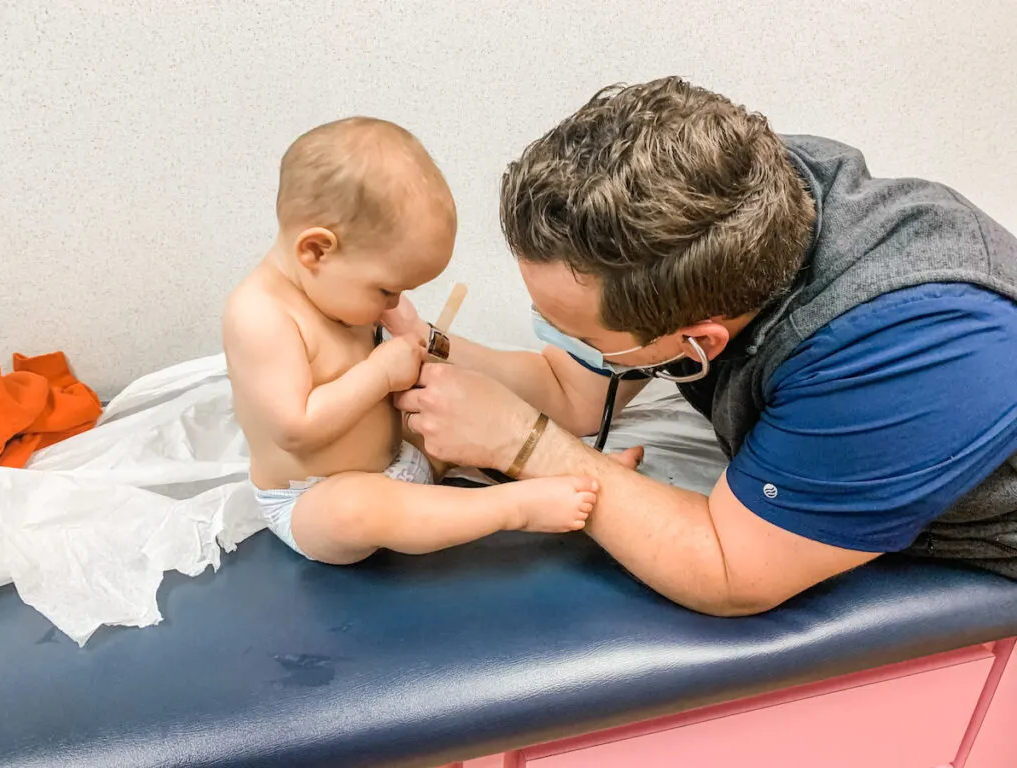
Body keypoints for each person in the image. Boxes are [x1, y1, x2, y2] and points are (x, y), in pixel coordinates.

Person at [387, 77, 1017, 615]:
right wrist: (429, 343)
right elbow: (576, 391)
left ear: (698, 339)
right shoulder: (735, 196)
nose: (558, 334)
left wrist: (521, 443)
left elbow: (729, 572)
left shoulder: (910, 351)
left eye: (582, 332)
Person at [222, 117, 600, 565]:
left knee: (464, 416)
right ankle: (515, 509)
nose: (395, 301)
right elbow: (295, 430)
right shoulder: (260, 314)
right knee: (355, 509)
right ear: (316, 251)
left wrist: (410, 337)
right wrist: (380, 372)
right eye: (386, 290)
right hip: (313, 496)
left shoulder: (335, 288)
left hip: (402, 456)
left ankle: (582, 474)